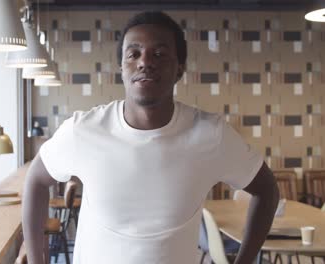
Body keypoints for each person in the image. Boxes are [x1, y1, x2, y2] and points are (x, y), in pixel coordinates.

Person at [22, 11, 279, 264]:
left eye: (159, 54)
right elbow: (36, 180)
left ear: (179, 69)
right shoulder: (83, 130)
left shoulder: (210, 134)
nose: (144, 62)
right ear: (121, 67)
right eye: (133, 54)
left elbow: (267, 191)